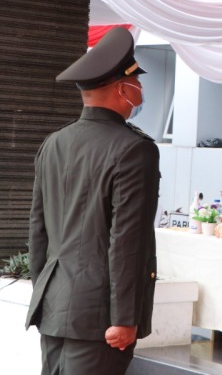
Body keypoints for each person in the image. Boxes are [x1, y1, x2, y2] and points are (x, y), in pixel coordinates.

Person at [26, 27, 160, 375]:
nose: (140, 89)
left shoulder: (54, 143)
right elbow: (127, 240)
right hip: (100, 316)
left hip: (55, 305)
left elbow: (38, 230)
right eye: (136, 82)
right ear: (122, 89)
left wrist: (44, 296)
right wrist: (124, 317)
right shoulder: (134, 150)